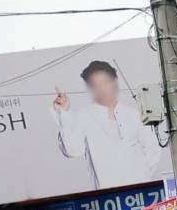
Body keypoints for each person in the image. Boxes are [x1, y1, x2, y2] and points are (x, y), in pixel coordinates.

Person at [53, 60, 166, 189]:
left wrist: (140, 178)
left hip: (140, 194)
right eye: (95, 85)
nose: (101, 89)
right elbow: (72, 150)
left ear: (115, 81)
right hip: (107, 198)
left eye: (105, 83)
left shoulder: (134, 115)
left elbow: (153, 150)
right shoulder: (83, 116)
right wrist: (64, 113)